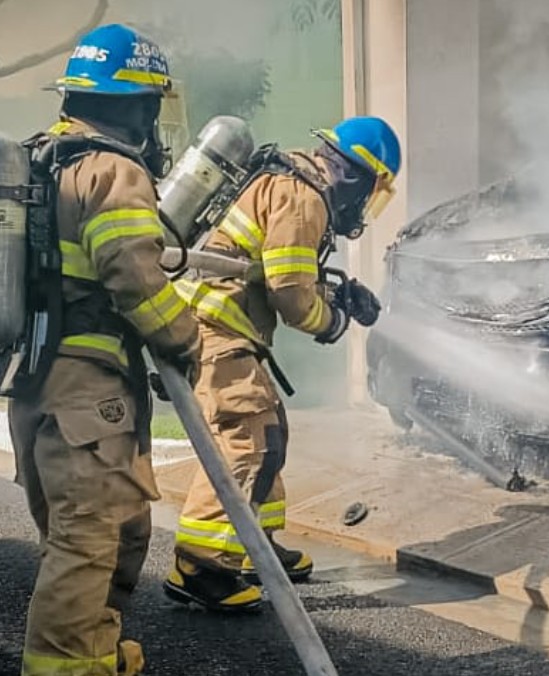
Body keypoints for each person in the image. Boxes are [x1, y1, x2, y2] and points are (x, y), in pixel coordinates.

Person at [7, 24, 201, 675]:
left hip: (36, 389)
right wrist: (186, 338)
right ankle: (68, 665)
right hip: (85, 397)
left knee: (116, 531)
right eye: (152, 105)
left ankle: (96, 647)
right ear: (138, 105)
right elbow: (133, 276)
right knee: (86, 543)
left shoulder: (41, 160)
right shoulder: (112, 170)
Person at [162, 117, 401, 611]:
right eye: (371, 191)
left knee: (271, 429)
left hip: (217, 323)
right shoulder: (303, 198)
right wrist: (332, 321)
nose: (363, 207)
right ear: (355, 176)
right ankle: (202, 565)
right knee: (247, 439)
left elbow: (272, 267)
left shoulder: (290, 180)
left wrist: (341, 294)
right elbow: (291, 296)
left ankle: (255, 546)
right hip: (213, 326)